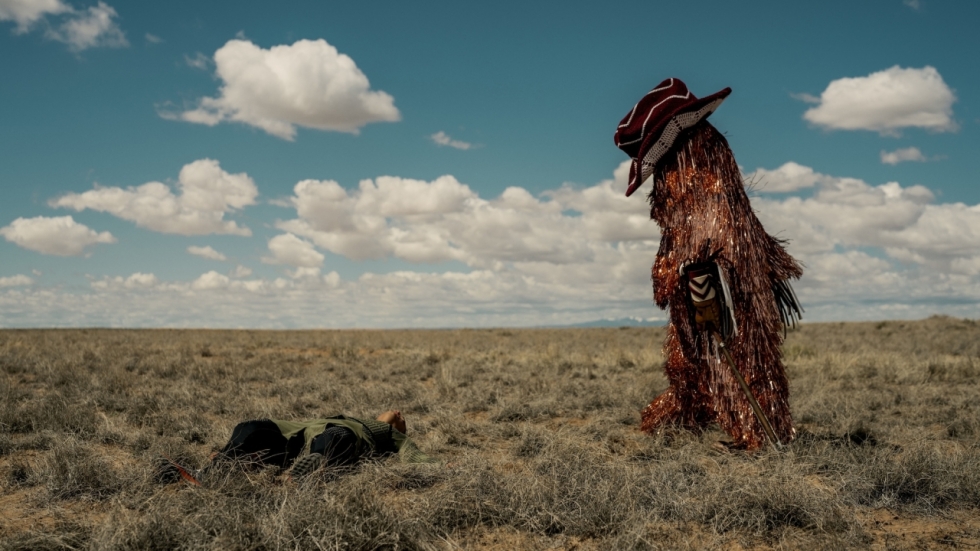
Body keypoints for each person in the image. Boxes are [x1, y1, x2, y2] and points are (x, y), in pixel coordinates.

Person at [157, 410, 436, 484]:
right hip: (298, 434)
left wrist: (434, 465)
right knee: (252, 426)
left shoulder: (387, 434)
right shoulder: (352, 417)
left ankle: (308, 470)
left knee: (335, 436)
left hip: (332, 440)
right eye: (396, 413)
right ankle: (217, 467)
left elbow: (411, 452)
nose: (398, 412)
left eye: (402, 418)